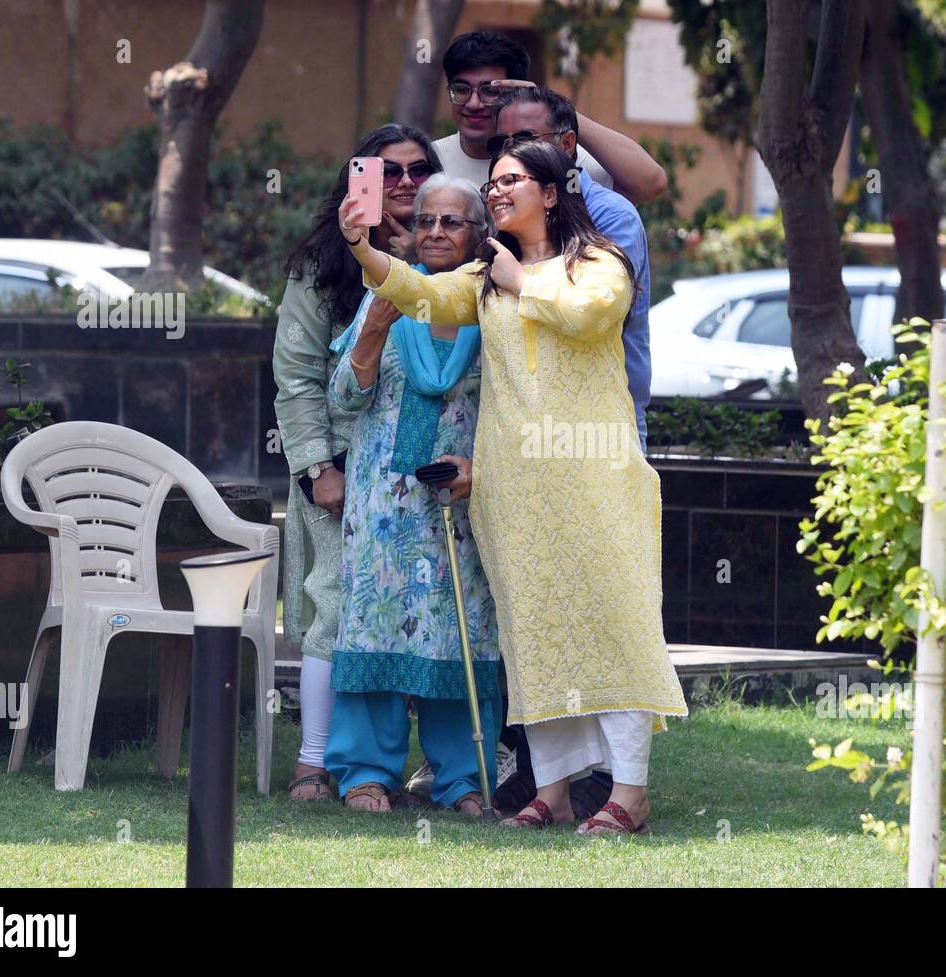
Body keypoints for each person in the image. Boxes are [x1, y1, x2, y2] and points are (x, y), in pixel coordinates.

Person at [338, 140, 688, 836]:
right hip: (513, 488)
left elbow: (591, 315)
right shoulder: (485, 276)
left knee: (615, 627)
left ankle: (631, 794)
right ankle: (552, 790)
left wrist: (518, 278)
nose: (495, 191)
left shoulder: (599, 262)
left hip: (594, 476)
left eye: (511, 181)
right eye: (492, 182)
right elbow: (421, 291)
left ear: (552, 192)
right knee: (534, 635)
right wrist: (364, 250)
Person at [323, 174, 500, 816]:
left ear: (480, 235)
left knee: (460, 634)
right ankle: (365, 773)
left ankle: (463, 777)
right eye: (425, 221)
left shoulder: (494, 309)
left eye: (452, 222)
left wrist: (481, 465)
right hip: (383, 508)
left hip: (462, 506)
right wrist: (371, 330)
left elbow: (518, 411)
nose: (434, 233)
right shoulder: (389, 295)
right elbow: (343, 399)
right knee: (374, 630)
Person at [274, 124, 441, 801]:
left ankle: (428, 767)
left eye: (417, 170)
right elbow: (295, 373)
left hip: (423, 464)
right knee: (337, 604)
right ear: (358, 182)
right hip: (342, 462)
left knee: (421, 612)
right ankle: (314, 762)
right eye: (387, 172)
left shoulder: (454, 250)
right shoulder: (322, 265)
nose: (403, 183)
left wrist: (416, 262)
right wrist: (318, 468)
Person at [492, 86, 652, 449]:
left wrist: (520, 281)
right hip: (519, 418)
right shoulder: (503, 213)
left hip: (601, 423)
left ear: (567, 145)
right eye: (502, 142)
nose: (512, 152)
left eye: (526, 138)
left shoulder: (611, 215)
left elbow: (598, 316)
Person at [433, 31, 668, 206]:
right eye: (462, 89)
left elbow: (650, 183)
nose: (474, 104)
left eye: (490, 91)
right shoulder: (429, 160)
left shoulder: (554, 158)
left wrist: (550, 108)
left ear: (515, 93)